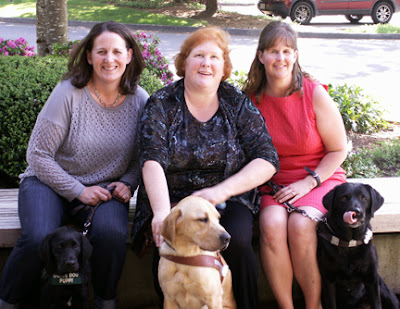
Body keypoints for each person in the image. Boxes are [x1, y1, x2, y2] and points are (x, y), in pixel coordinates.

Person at [0, 20, 148, 309]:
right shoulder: (68, 93)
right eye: (101, 51)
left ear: (129, 56)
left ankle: (105, 301)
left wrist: (128, 182)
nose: (109, 59)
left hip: (104, 192)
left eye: (117, 52)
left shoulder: (140, 100)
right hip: (48, 182)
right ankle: (8, 301)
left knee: (112, 236)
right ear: (89, 56)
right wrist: (79, 190)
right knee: (38, 238)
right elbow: (38, 155)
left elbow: (142, 158)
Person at [131, 26, 279, 309]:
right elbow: (151, 161)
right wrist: (163, 212)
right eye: (199, 55)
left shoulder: (236, 103)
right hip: (172, 196)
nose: (206, 63)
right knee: (167, 241)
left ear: (224, 67)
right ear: (184, 62)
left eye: (214, 57)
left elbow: (267, 158)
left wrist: (218, 193)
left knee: (237, 239)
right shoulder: (162, 104)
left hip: (226, 196)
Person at [243, 20, 347, 309]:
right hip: (272, 182)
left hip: (318, 178)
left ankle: (313, 305)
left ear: (296, 55)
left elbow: (339, 149)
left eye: (288, 51)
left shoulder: (314, 94)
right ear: (261, 55)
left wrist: (308, 182)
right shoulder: (252, 99)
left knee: (300, 225)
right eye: (274, 51)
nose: (281, 58)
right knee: (271, 224)